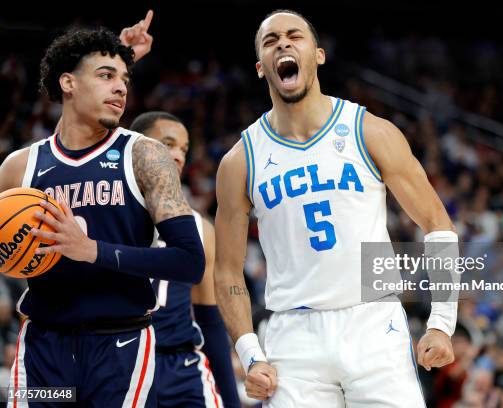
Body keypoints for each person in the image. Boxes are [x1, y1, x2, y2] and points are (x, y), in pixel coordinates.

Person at [214, 9, 458, 407]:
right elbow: (226, 269)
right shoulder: (240, 160)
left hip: (372, 322)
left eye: (295, 36)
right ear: (261, 67)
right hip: (293, 336)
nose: (284, 44)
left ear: (319, 55)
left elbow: (437, 224)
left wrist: (443, 324)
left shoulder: (370, 131)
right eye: (271, 41)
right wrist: (250, 353)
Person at [0, 22, 204, 407]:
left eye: (125, 78)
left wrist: (92, 249)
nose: (122, 87)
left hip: (120, 349)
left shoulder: (145, 156)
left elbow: (190, 262)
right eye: (106, 76)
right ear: (68, 84)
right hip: (43, 351)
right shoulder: (19, 167)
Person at [131, 111, 240, 408]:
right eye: (168, 144)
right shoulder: (107, 214)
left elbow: (209, 319)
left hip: (180, 366)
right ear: (134, 147)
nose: (177, 156)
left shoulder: (200, 227)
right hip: (121, 360)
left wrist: (231, 401)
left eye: (183, 148)